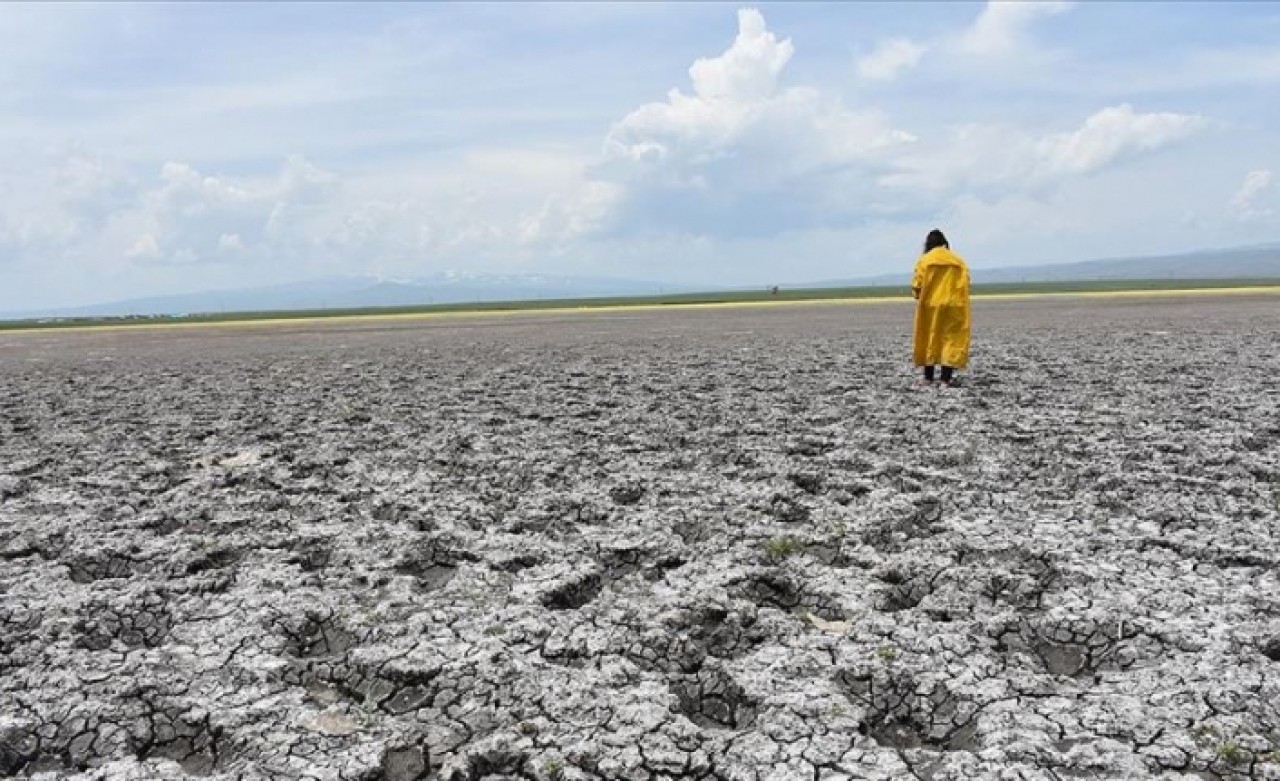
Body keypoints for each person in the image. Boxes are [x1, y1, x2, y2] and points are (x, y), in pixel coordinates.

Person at [911, 229, 971, 386]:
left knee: (929, 336)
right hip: (954, 305)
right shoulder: (959, 261)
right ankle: (946, 377)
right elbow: (965, 282)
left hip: (931, 304)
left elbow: (918, 283)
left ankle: (928, 377)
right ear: (945, 242)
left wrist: (917, 294)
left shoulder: (925, 260)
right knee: (951, 338)